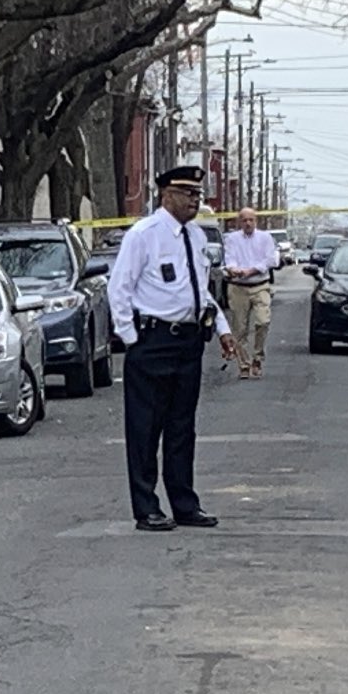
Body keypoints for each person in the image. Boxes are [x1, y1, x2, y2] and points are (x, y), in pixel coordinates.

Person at [107, 166, 237, 532]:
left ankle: (184, 503)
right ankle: (146, 507)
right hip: (153, 340)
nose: (195, 200)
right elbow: (119, 289)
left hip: (189, 341)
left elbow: (200, 290)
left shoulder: (195, 236)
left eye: (198, 193)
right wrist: (132, 338)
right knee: (145, 428)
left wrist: (222, 328)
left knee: (182, 428)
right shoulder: (144, 235)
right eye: (187, 193)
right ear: (166, 195)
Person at [223, 208, 278, 379]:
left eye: (251, 220)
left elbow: (270, 260)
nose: (248, 223)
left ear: (256, 221)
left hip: (260, 284)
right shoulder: (232, 239)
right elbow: (230, 259)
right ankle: (244, 364)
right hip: (238, 286)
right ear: (239, 222)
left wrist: (251, 271)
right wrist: (233, 270)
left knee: (263, 321)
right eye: (244, 220)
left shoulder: (265, 238)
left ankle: (258, 358)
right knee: (240, 328)